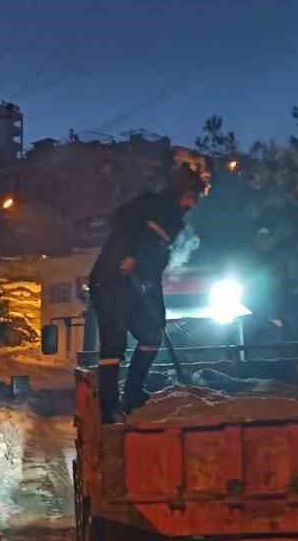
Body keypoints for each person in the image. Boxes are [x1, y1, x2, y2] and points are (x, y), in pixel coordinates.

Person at [86, 162, 208, 421]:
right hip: (111, 281)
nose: (193, 204)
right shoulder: (154, 207)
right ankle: (108, 407)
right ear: (181, 191)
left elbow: (155, 250)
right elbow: (133, 231)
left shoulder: (171, 216)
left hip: (139, 279)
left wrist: (144, 268)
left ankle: (132, 394)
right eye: (191, 197)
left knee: (152, 332)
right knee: (113, 344)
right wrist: (130, 256)